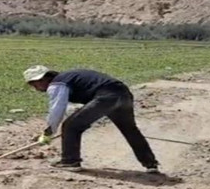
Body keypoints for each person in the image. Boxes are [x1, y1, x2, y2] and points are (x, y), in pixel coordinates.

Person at [23, 65, 160, 173]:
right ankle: (150, 164)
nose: (37, 88)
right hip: (123, 94)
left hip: (106, 97)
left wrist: (48, 132)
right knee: (130, 129)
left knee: (71, 126)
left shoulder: (57, 84)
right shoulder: (69, 77)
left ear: (43, 79)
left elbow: (57, 109)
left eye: (35, 84)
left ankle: (70, 161)